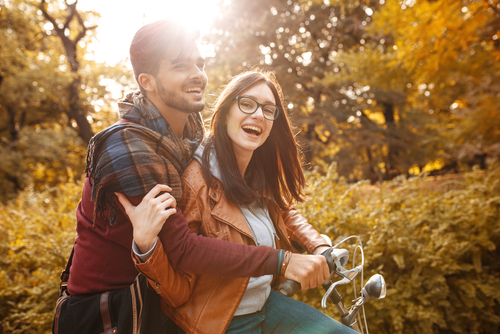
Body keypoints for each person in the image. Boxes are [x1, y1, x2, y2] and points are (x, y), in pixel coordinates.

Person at [53, 20, 330, 334]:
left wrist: (316, 244)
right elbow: (183, 248)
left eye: (199, 63)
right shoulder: (129, 146)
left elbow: (267, 203)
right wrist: (282, 261)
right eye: (181, 65)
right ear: (148, 81)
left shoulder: (188, 133)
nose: (198, 74)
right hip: (111, 309)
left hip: (160, 297)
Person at [118, 70, 359, 334]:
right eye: (247, 104)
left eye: (269, 109)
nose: (258, 114)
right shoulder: (194, 182)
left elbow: (284, 212)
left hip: (267, 304)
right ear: (224, 114)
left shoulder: (256, 173)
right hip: (221, 320)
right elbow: (178, 280)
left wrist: (320, 246)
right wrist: (146, 246)